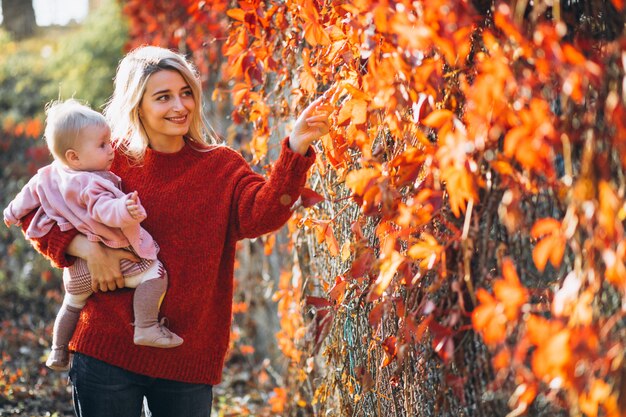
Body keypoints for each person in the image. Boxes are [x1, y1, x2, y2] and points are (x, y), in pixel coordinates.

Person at [17, 45, 330, 417]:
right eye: (163, 97)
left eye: (186, 94)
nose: (179, 106)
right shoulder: (104, 157)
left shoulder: (220, 166)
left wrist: (295, 147)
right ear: (138, 104)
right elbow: (35, 211)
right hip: (106, 348)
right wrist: (85, 249)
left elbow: (262, 214)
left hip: (186, 353)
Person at [4, 99, 184, 372]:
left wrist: (10, 214)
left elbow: (23, 201)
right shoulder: (92, 182)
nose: (110, 149)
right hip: (112, 261)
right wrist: (126, 209)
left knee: (72, 304)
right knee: (154, 273)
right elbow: (104, 211)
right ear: (74, 156)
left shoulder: (46, 175)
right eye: (102, 145)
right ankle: (146, 326)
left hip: (76, 272)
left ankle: (58, 351)